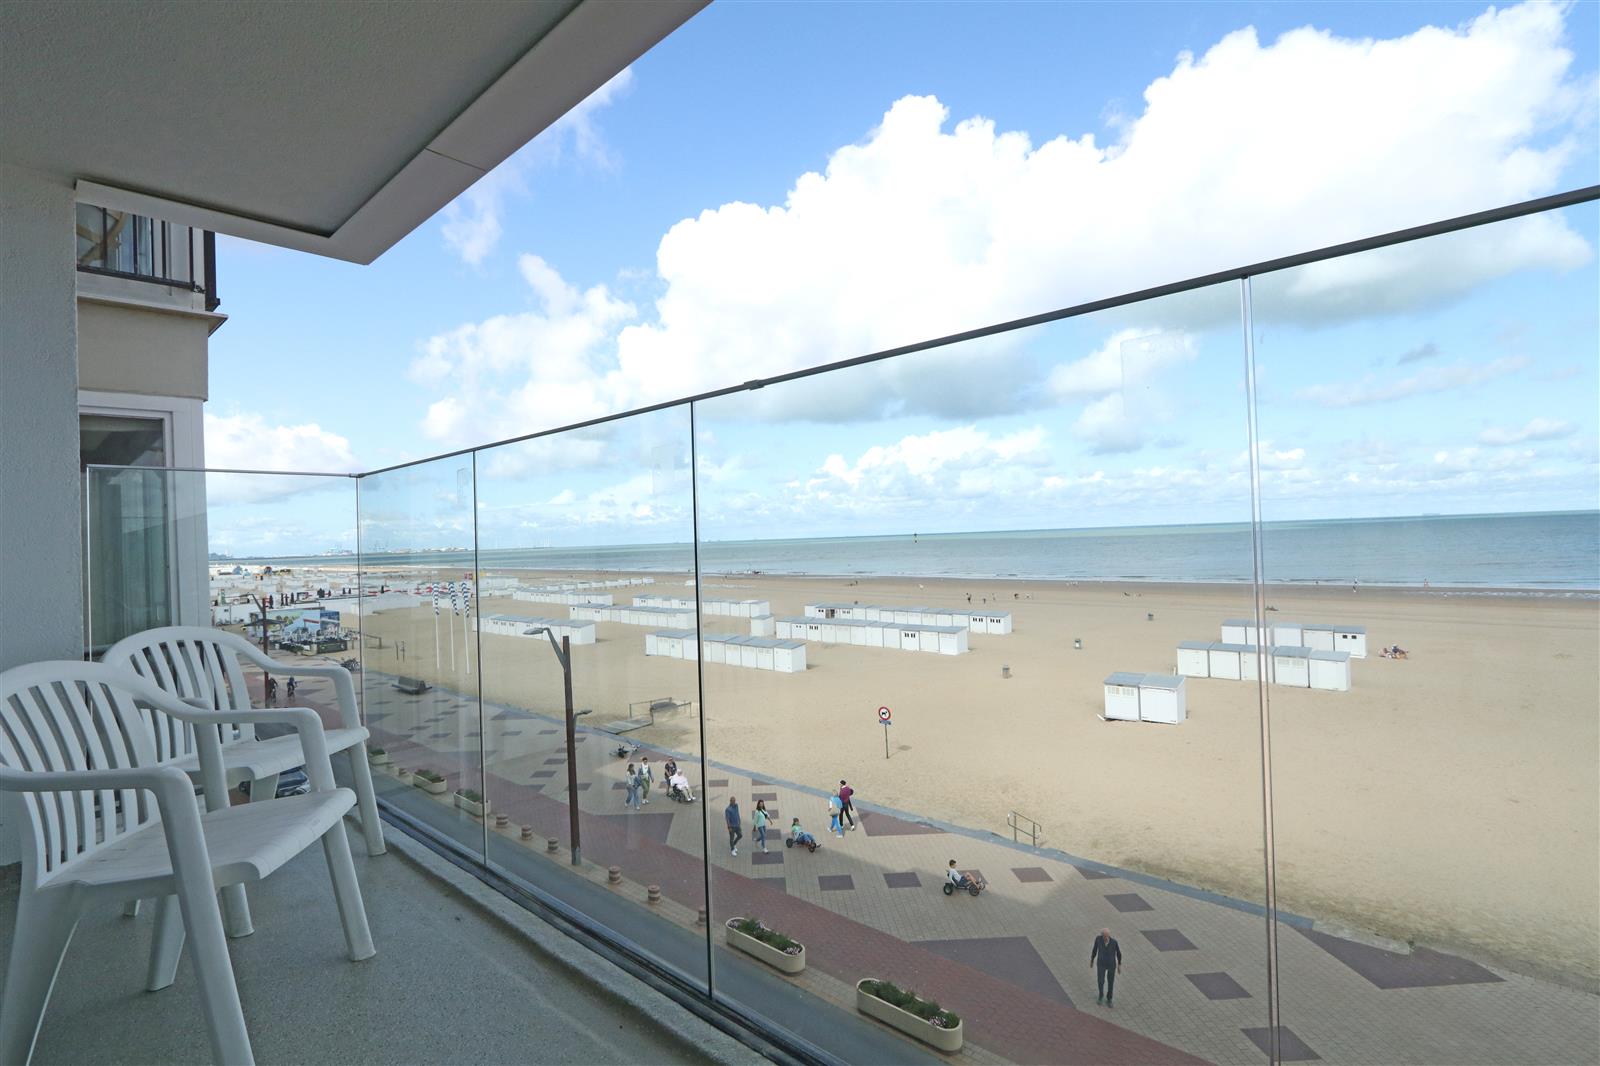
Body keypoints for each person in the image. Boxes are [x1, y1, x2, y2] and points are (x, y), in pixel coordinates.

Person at [1091, 928, 1123, 1007]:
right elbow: (1094, 950)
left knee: (1110, 982)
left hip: (1111, 965)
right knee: (1100, 981)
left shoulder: (1114, 942)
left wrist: (1119, 965)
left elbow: (1119, 954)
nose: (1106, 938)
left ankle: (1109, 999)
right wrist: (1092, 960)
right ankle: (1101, 996)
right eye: (1104, 936)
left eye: (1107, 936)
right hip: (1101, 964)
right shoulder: (1098, 939)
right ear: (1102, 935)